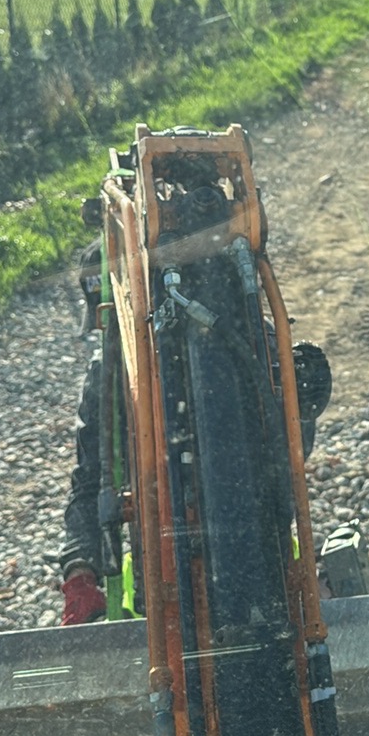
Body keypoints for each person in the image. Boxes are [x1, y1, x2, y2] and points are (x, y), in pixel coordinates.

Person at [60, 242, 332, 626]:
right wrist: (79, 569)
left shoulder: (248, 342)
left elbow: (293, 454)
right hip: (161, 584)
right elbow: (89, 482)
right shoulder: (108, 375)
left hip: (264, 565)